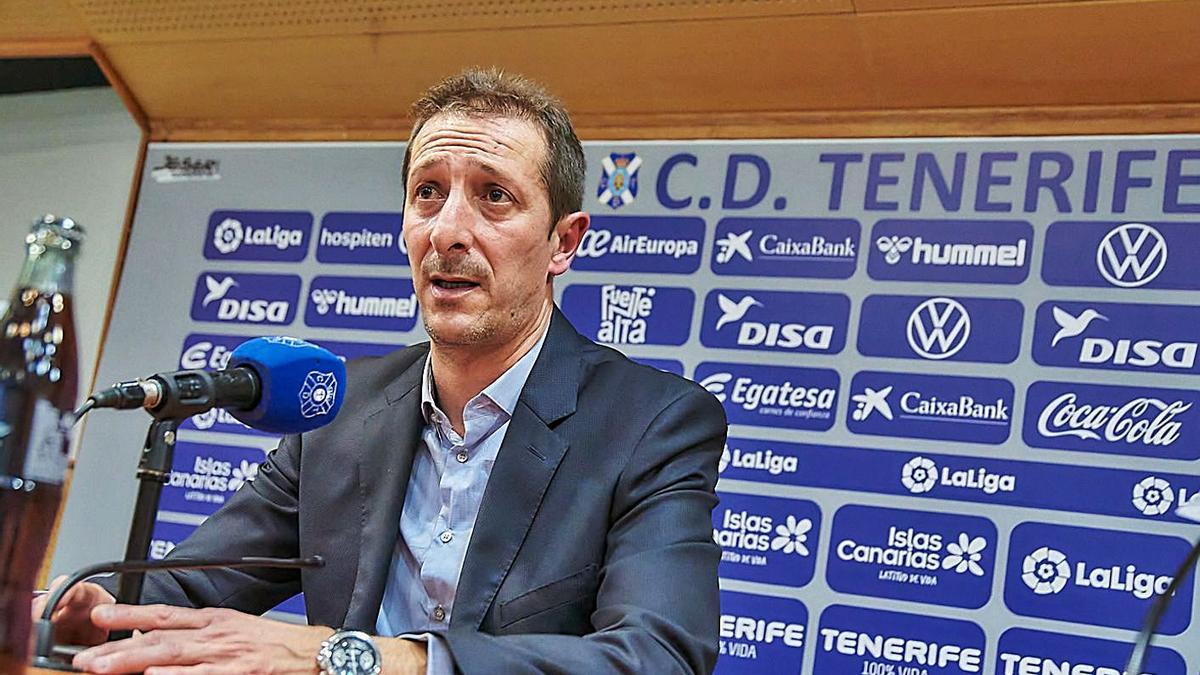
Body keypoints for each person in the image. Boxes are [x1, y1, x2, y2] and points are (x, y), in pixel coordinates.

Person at [37, 68, 727, 675]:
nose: (448, 231)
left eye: (493, 197)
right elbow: (193, 590)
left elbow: (657, 655)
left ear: (563, 242)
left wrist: (359, 656)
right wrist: (99, 610)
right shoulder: (340, 404)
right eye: (428, 193)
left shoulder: (651, 422)